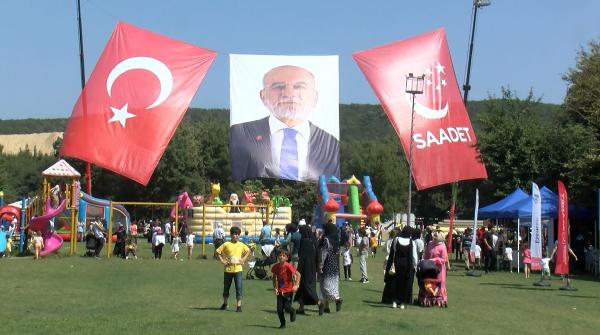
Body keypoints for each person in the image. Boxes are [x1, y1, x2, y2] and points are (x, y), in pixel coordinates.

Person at [230, 65, 340, 182]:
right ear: (263, 96)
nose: (289, 93)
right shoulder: (239, 134)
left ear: (314, 97)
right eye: (278, 86)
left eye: (299, 87)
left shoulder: (332, 144)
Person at [215, 226, 251, 312]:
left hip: (238, 269)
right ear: (231, 235)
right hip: (228, 270)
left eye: (238, 234)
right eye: (235, 234)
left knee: (239, 287)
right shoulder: (226, 244)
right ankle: (225, 303)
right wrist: (222, 261)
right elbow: (217, 252)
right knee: (226, 287)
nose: (237, 236)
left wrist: (243, 259)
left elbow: (248, 251)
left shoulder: (241, 244)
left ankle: (239, 306)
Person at [382, 226, 417, 309]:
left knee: (395, 282)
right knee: (404, 283)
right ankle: (402, 303)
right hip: (407, 265)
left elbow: (392, 252)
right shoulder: (411, 242)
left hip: (397, 263)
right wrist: (415, 265)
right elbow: (414, 256)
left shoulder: (396, 239)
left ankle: (394, 301)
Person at [317, 221, 342, 315]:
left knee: (325, 286)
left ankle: (337, 300)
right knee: (331, 286)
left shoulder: (326, 239)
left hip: (327, 265)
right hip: (334, 264)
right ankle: (324, 306)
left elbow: (324, 253)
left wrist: (320, 265)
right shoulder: (336, 239)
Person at [271, 248, 300, 329]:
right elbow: (274, 277)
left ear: (287, 258)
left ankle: (292, 311)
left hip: (288, 291)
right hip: (280, 292)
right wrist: (275, 288)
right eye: (280, 255)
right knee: (279, 310)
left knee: (287, 307)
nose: (281, 257)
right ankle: (282, 323)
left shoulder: (288, 266)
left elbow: (298, 275)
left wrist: (296, 285)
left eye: (284, 256)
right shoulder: (275, 267)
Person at [293, 225, 319, 314]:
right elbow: (317, 254)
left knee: (307, 287)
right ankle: (301, 308)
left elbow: (302, 256)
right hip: (313, 267)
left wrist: (298, 269)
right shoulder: (314, 240)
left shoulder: (304, 241)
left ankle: (319, 303)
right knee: (303, 289)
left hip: (305, 268)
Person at [421, 230, 449, 306]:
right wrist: (424, 261)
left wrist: (434, 260)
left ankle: (441, 299)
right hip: (429, 267)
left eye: (436, 236)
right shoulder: (430, 244)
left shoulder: (443, 247)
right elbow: (426, 254)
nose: (434, 237)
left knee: (440, 283)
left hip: (439, 268)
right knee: (429, 282)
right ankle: (428, 298)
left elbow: (444, 260)